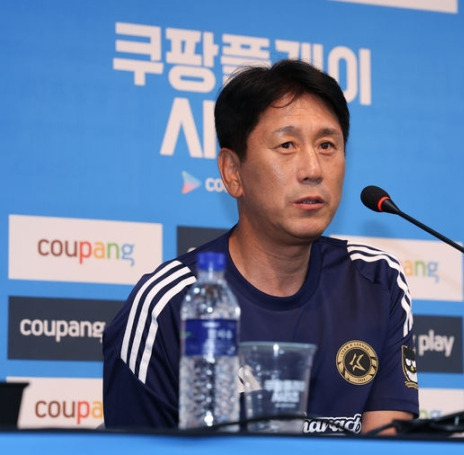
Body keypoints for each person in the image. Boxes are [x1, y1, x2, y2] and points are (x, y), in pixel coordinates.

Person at [102, 59, 418, 434]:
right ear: (232, 172)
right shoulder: (169, 304)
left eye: (327, 145)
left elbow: (388, 442)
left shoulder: (376, 282)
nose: (313, 169)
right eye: (287, 145)